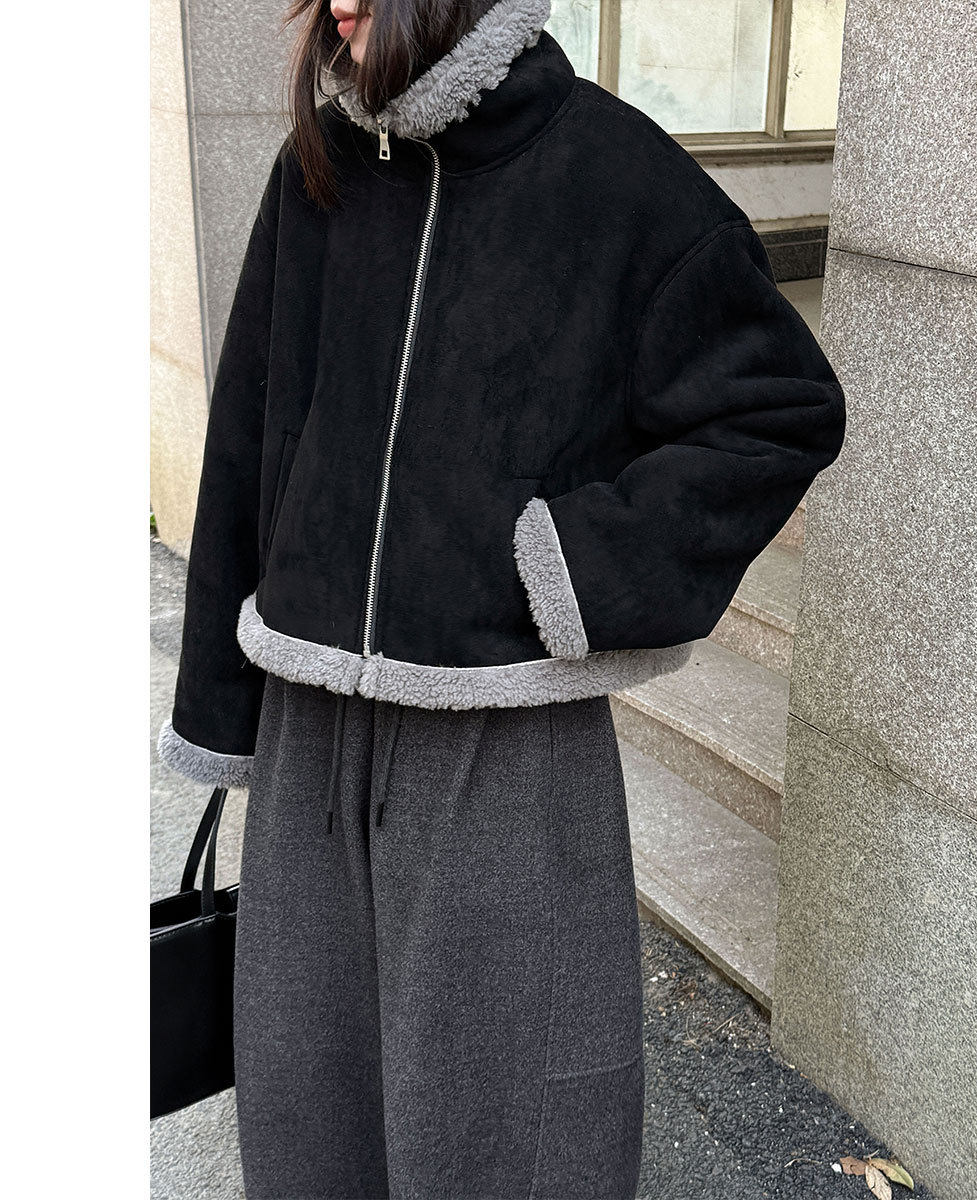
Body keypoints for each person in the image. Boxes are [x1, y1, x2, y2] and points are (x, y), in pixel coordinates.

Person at [156, 0, 847, 1195]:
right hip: (310, 732)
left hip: (503, 745)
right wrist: (223, 713)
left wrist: (573, 568)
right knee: (315, 1115)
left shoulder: (614, 175)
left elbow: (777, 410)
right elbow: (251, 437)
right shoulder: (317, 170)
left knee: (507, 1128)